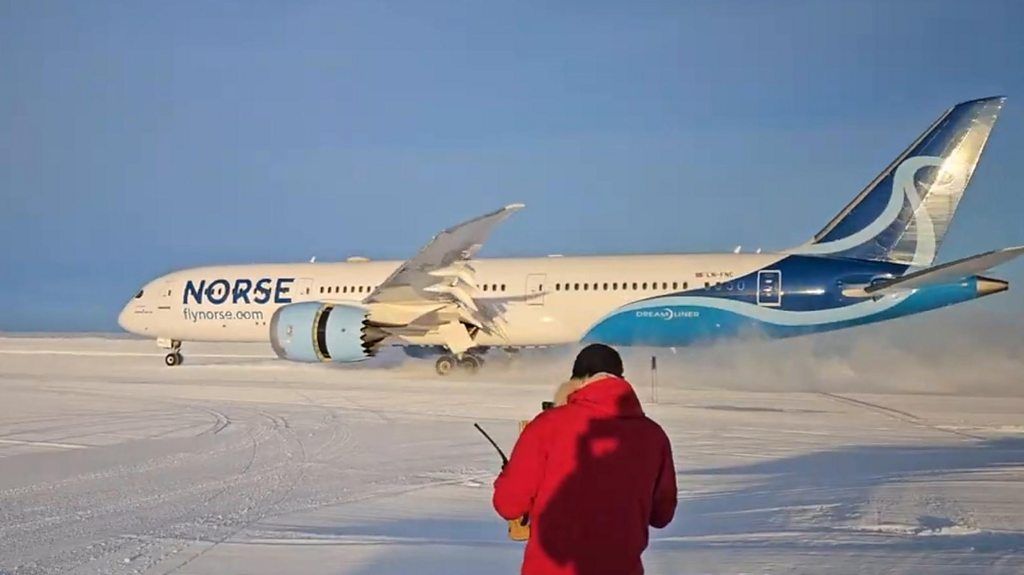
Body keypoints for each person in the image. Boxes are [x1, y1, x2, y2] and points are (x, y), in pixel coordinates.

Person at [493, 343, 677, 575]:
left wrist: (508, 474)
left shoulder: (546, 426)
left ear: (577, 381)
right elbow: (662, 515)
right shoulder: (653, 436)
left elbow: (509, 504)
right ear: (620, 379)